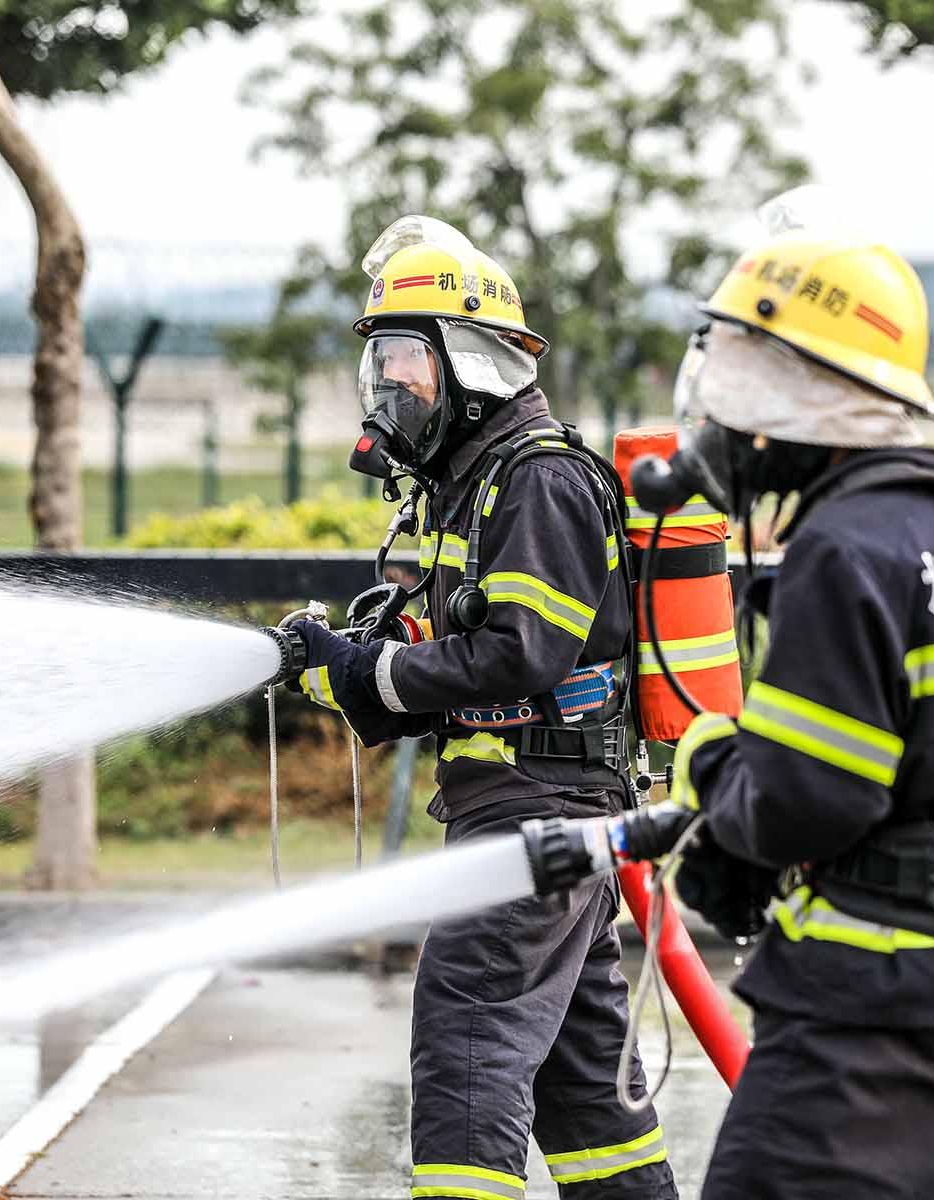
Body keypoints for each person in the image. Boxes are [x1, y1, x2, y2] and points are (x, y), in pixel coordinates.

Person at [658, 223, 934, 1199]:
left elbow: (807, 799)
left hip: (873, 1043)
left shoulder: (843, 547)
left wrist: (713, 774)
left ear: (789, 391)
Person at [284, 215, 678, 1200]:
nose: (390, 383)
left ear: (470, 361)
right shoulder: (467, 485)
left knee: (466, 1053)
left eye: (407, 356)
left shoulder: (536, 477)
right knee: (587, 1093)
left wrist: (369, 677)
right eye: (381, 358)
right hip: (542, 802)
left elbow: (519, 654)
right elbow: (465, 658)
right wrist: (336, 667)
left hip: (537, 805)